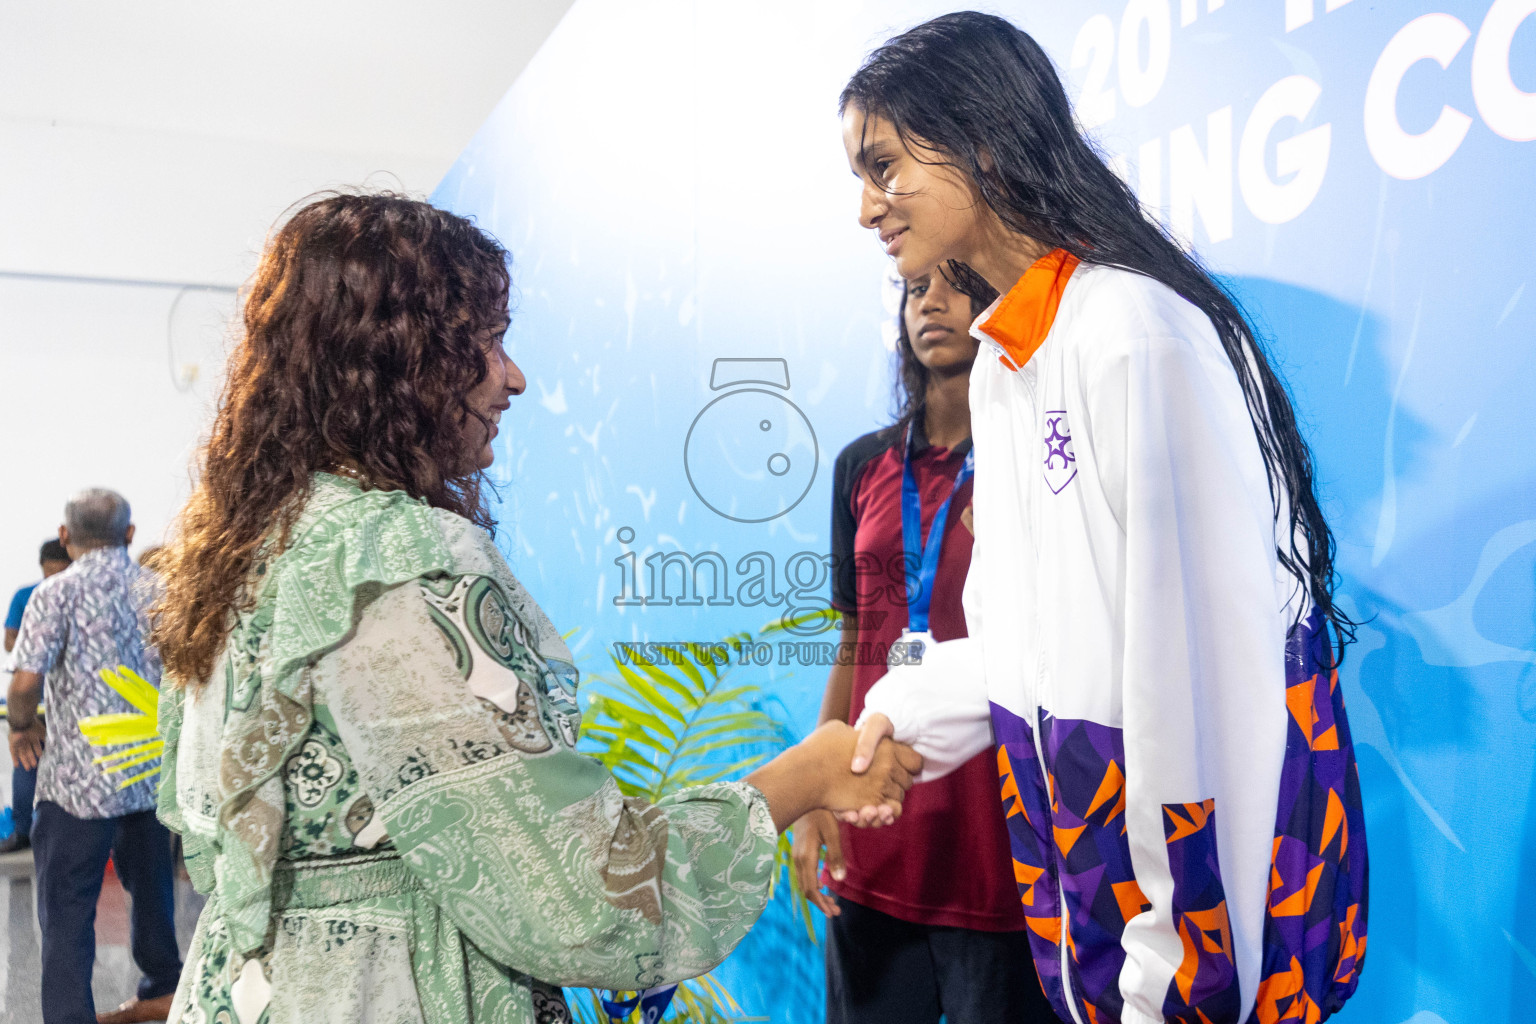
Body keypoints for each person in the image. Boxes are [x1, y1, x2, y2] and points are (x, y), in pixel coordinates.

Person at [148, 193, 922, 1024]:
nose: (512, 377)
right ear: (398, 363)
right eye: (484, 343)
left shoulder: (251, 545)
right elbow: (577, 893)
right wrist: (799, 777)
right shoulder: (398, 564)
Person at [837, 13, 1368, 1024]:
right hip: (1095, 933)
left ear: (981, 142)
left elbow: (1206, 696)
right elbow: (1015, 643)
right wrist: (891, 721)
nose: (866, 208)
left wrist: (1182, 981)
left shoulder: (1134, 331)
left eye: (883, 166)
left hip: (1197, 962)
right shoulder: (1007, 357)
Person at [792, 268, 1054, 1024]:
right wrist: (814, 791)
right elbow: (855, 632)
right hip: (875, 829)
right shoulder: (861, 465)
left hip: (998, 843)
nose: (930, 304)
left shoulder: (1034, 458)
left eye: (954, 286)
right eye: (914, 291)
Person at [8, 491, 183, 1024]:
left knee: (66, 914)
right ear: (129, 534)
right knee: (154, 894)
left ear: (66, 536)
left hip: (76, 786)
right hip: (149, 776)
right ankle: (165, 993)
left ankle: (69, 1017)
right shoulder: (159, 589)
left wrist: (22, 726)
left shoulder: (52, 593)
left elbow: (25, 682)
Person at [2, 538, 72, 853]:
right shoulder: (27, 596)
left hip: (70, 696)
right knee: (28, 758)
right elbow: (10, 643)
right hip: (38, 695)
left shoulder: (76, 593)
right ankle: (22, 830)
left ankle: (52, 831)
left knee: (72, 761)